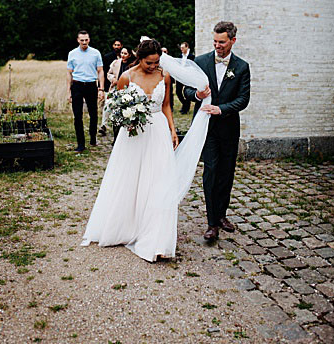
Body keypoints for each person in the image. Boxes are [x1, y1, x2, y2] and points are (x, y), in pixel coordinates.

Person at [81, 39, 182, 261]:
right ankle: (127, 225)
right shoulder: (127, 77)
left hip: (158, 131)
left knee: (159, 180)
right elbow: (116, 107)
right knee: (130, 179)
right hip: (134, 134)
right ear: (140, 58)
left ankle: (155, 234)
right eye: (149, 63)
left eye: (156, 62)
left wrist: (173, 130)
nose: (153, 66)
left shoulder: (164, 75)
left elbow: (166, 105)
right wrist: (127, 121)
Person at [181, 22, 251, 242]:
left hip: (229, 128)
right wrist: (197, 96)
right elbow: (186, 90)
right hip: (206, 128)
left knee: (226, 173)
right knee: (211, 171)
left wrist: (222, 109)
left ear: (232, 41)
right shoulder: (200, 61)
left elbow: (243, 99)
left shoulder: (242, 67)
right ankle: (212, 224)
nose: (218, 46)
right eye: (215, 42)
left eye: (222, 42)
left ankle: (221, 215)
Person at [66, 30, 105, 153]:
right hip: (77, 86)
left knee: (93, 113)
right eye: (82, 40)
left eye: (86, 40)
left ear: (89, 39)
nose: (84, 42)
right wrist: (68, 92)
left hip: (91, 86)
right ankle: (80, 144)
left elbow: (100, 71)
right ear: (78, 40)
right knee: (78, 116)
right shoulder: (72, 54)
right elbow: (69, 73)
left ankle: (93, 137)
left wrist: (101, 89)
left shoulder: (95, 53)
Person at [176, 41, 196, 115]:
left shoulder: (192, 57)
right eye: (181, 48)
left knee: (187, 93)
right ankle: (185, 104)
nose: (181, 49)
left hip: (188, 77)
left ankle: (185, 109)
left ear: (187, 47)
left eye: (183, 47)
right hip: (180, 76)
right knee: (178, 92)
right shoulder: (179, 56)